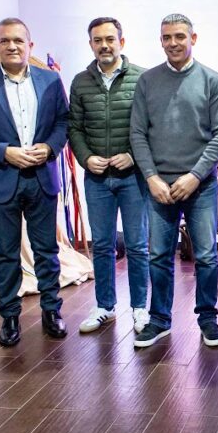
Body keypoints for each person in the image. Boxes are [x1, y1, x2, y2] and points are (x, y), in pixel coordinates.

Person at [0, 17, 71, 347]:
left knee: (46, 251)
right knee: (6, 254)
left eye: (18, 40)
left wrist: (49, 148)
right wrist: (3, 152)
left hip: (41, 178)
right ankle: (9, 316)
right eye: (5, 41)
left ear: (29, 46)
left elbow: (63, 122)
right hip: (1, 178)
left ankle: (52, 310)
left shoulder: (51, 81)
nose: (12, 46)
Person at [129, 13, 218, 349]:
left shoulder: (211, 80)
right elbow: (137, 133)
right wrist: (151, 177)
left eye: (179, 37)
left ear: (193, 39)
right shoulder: (147, 81)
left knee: (206, 256)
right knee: (158, 255)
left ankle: (208, 318)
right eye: (167, 37)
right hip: (158, 186)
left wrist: (195, 175)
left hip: (200, 186)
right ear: (160, 41)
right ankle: (159, 319)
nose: (173, 43)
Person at [67, 17, 149, 335]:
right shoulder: (80, 82)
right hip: (97, 179)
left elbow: (149, 126)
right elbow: (74, 128)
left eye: (110, 39)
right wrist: (86, 158)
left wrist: (133, 156)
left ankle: (140, 308)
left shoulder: (142, 78)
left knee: (138, 245)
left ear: (121, 42)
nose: (104, 45)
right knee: (101, 245)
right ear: (91, 44)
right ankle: (104, 307)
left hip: (133, 178)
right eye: (98, 40)